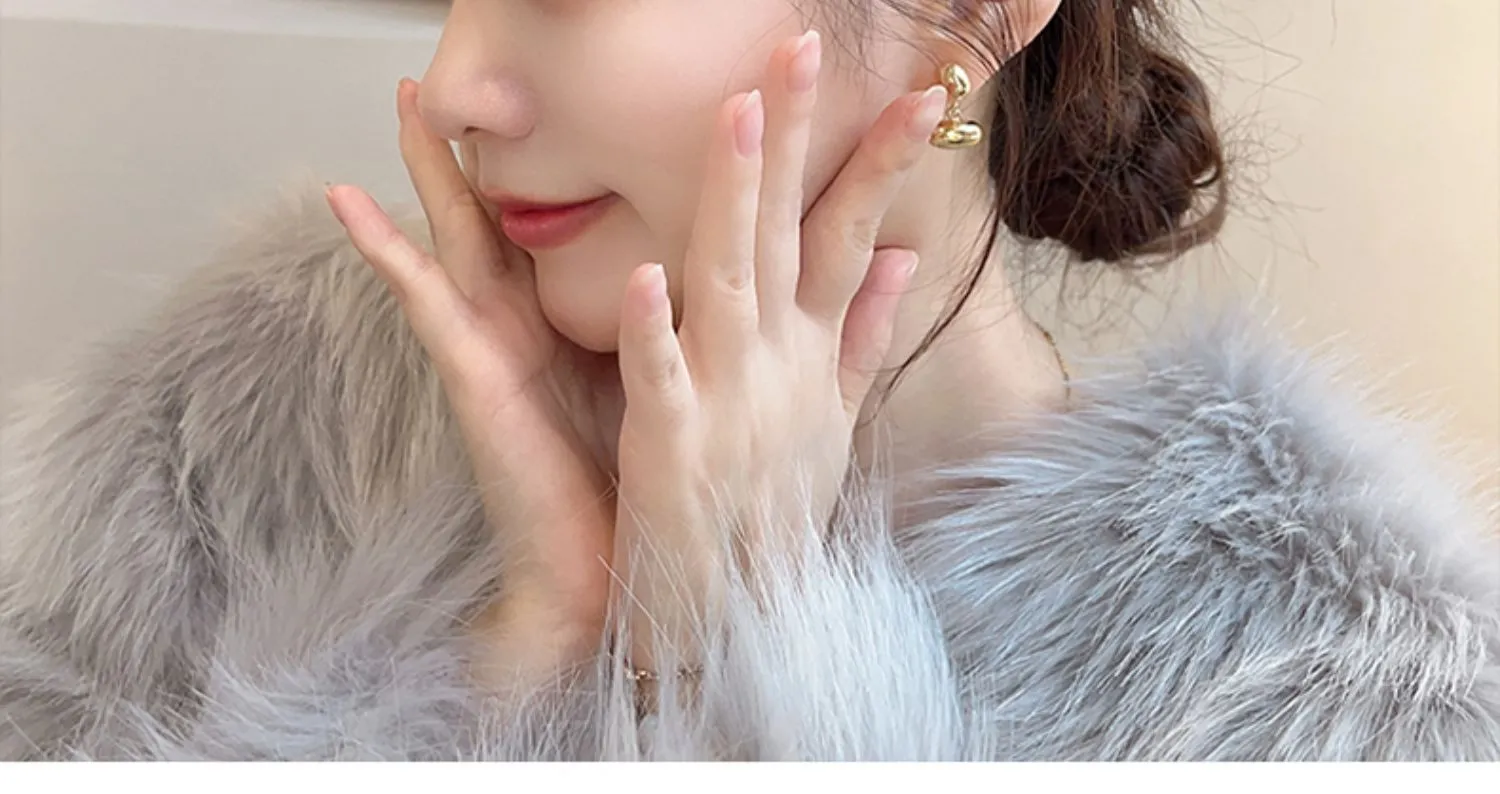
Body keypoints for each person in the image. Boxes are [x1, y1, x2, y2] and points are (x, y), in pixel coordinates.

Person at [1, 0, 1496, 762]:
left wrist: (740, 644)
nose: (454, 84)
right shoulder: (239, 422)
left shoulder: (1339, 695)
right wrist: (536, 651)